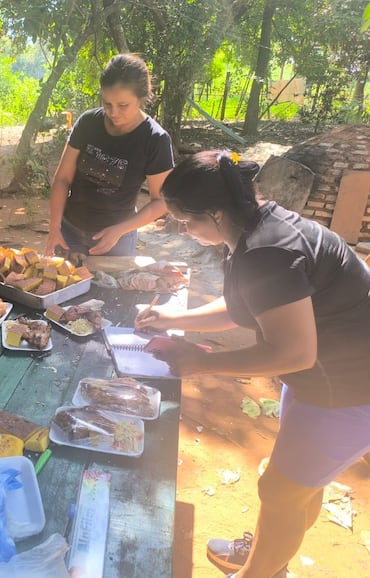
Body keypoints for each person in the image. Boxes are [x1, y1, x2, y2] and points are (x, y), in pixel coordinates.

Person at [134, 150, 370, 578]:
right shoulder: (257, 225)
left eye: (187, 223)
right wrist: (176, 318)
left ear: (217, 212)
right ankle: (267, 554)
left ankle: (260, 571)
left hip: (352, 387)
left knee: (280, 491)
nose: (184, 232)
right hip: (322, 378)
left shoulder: (269, 251)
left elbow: (295, 351)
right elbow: (252, 303)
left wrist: (199, 363)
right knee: (298, 487)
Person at [45, 53, 174, 259]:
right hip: (69, 231)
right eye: (107, 104)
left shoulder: (155, 139)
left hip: (117, 240)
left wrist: (120, 230)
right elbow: (62, 179)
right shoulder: (88, 123)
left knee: (110, 289)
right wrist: (54, 228)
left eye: (123, 106)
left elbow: (161, 201)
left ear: (141, 98)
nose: (113, 113)